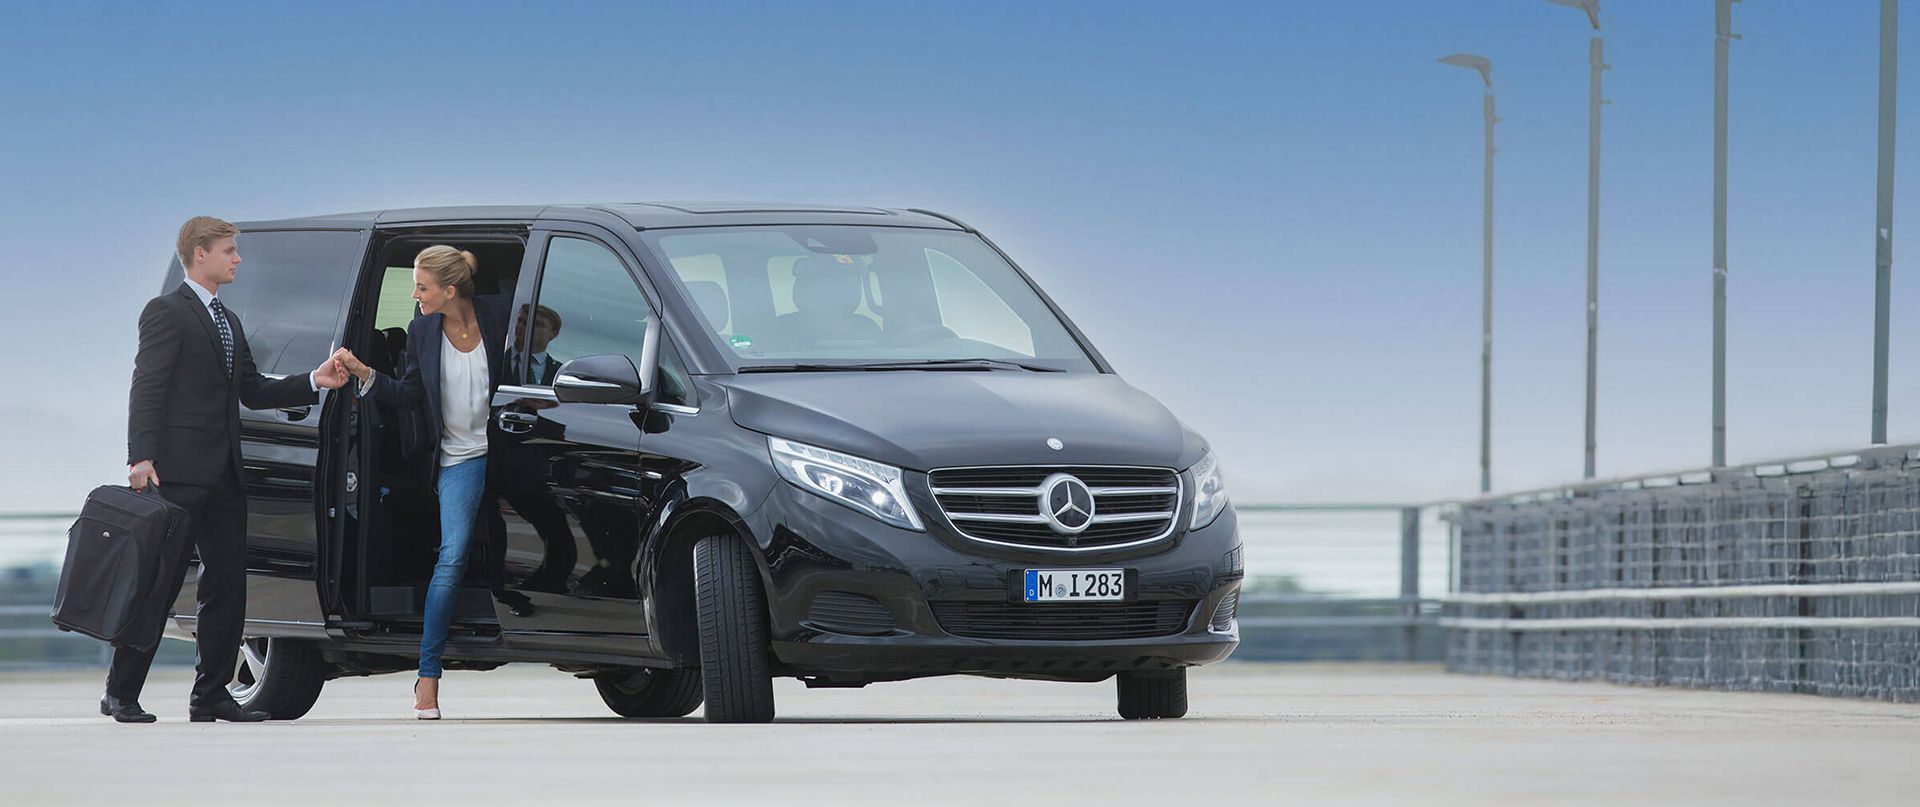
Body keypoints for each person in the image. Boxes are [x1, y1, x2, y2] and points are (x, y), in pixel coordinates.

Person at [113, 216, 351, 723]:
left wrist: (314, 379)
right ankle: (121, 692)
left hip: (225, 475)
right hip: (174, 474)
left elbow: (253, 390)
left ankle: (211, 696)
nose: (237, 259)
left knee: (227, 586)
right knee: (160, 584)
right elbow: (147, 386)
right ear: (200, 254)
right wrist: (140, 457)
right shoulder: (166, 312)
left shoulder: (230, 321)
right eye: (229, 251)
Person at [332, 245, 508, 720]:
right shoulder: (422, 330)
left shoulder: (498, 315)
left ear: (450, 290)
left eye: (422, 287)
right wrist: (367, 374)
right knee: (451, 557)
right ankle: (427, 675)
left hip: (512, 453)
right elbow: (411, 394)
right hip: (459, 460)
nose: (415, 295)